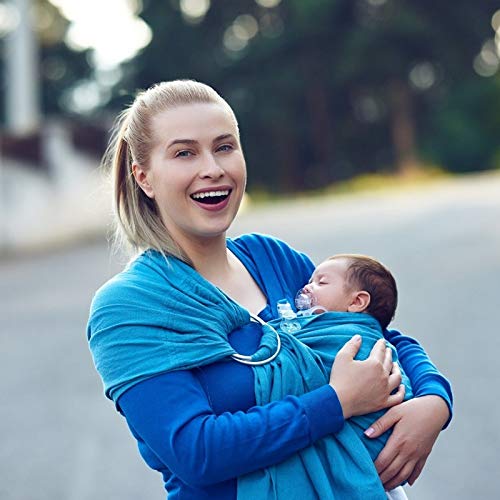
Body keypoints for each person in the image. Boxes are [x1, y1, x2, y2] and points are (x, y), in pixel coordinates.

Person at [87, 80, 452, 500]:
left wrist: (434, 402)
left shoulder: (270, 258)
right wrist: (336, 402)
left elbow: (378, 335)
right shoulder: (129, 307)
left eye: (224, 147)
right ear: (143, 177)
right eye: (185, 153)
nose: (213, 168)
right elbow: (196, 452)